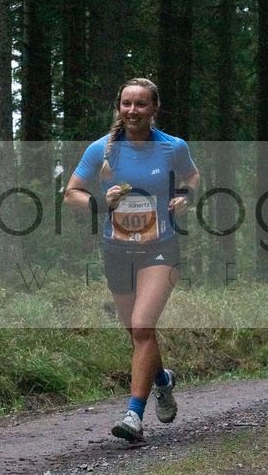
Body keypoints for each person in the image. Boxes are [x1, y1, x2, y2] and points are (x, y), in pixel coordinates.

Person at [64, 77, 200, 442]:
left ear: (154, 109)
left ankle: (134, 416)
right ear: (118, 107)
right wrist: (97, 204)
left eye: (141, 104)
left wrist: (185, 195)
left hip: (161, 247)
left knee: (142, 326)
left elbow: (192, 175)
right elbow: (71, 193)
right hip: (117, 249)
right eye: (127, 103)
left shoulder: (172, 147)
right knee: (137, 333)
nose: (133, 111)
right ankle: (162, 380)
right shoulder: (102, 151)